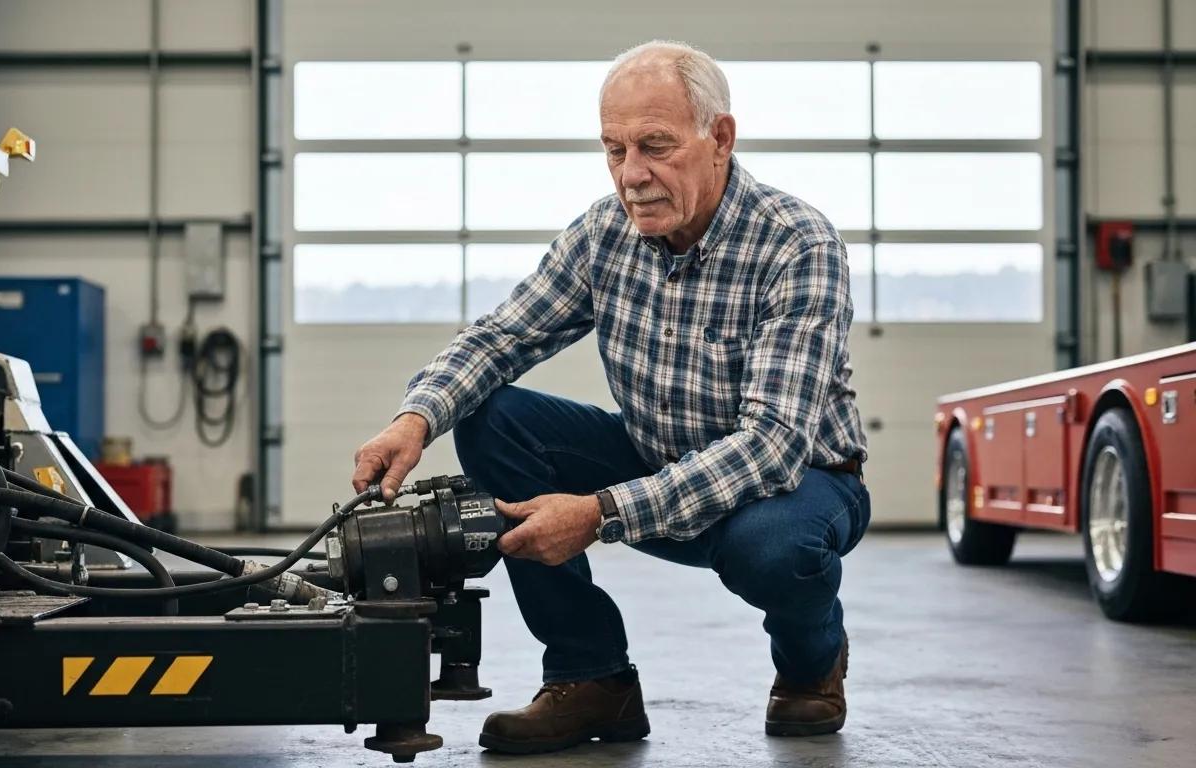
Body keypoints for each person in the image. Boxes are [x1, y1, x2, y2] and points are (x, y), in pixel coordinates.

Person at [351, 39, 869, 755]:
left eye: (655, 146)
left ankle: (813, 664)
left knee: (773, 548)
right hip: (655, 455)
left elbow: (771, 445)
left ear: (719, 138)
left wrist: (598, 514)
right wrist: (415, 418)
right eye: (614, 149)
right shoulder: (605, 234)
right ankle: (591, 677)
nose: (632, 175)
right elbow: (502, 336)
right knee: (493, 417)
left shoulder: (797, 243)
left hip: (794, 485)